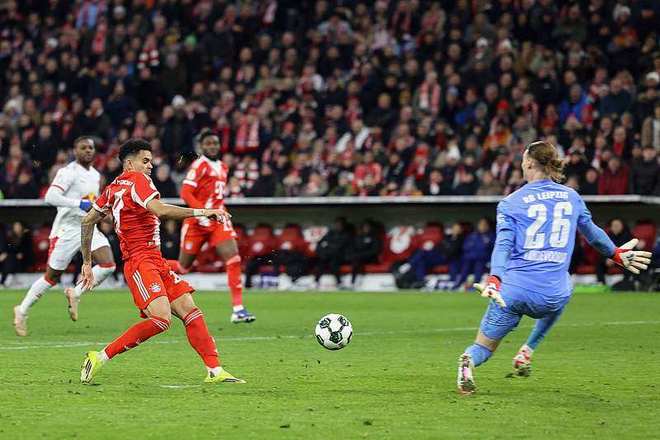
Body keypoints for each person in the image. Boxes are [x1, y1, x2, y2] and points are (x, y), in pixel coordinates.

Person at [456, 140, 652, 395]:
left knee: (483, 346)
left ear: (528, 163)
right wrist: (615, 253)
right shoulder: (572, 197)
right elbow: (593, 234)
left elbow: (503, 245)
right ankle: (528, 349)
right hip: (552, 294)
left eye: (523, 160)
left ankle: (469, 362)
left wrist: (495, 279)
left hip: (512, 292)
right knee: (563, 286)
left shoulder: (510, 202)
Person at [78, 138, 244, 385]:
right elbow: (161, 210)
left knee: (190, 310)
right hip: (139, 261)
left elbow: (87, 221)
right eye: (145, 161)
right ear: (129, 163)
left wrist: (87, 262)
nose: (150, 166)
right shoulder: (138, 180)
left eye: (151, 161)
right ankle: (100, 356)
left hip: (155, 259)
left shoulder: (112, 188)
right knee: (161, 319)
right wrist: (203, 212)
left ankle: (215, 370)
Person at [13, 137, 116, 336]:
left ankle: (75, 293)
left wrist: (107, 217)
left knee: (108, 265)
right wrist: (78, 204)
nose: (88, 150)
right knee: (52, 277)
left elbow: (94, 203)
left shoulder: (96, 175)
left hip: (87, 226)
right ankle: (22, 310)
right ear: (75, 151)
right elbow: (50, 197)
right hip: (66, 230)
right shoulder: (68, 172)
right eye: (83, 147)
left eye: (91, 148)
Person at [168, 130, 255, 323]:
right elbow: (186, 193)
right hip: (197, 222)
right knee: (182, 267)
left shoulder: (223, 166)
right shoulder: (199, 166)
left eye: (215, 143)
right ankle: (149, 268)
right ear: (202, 146)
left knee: (233, 258)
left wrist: (215, 212)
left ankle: (238, 309)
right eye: (208, 143)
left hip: (218, 220)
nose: (212, 146)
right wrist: (203, 212)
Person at [346, 220, 382, 288]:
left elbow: (375, 251)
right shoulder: (358, 237)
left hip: (371, 258)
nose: (366, 228)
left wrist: (361, 255)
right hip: (359, 259)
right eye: (364, 227)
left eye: (368, 227)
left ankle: (354, 282)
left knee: (357, 259)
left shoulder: (374, 238)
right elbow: (353, 248)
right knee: (355, 261)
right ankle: (353, 282)